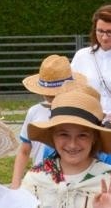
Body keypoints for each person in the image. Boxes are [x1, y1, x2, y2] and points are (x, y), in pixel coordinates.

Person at [13, 55, 81, 187]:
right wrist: (15, 183)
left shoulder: (77, 111)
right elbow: (24, 150)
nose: (51, 95)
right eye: (48, 92)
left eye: (55, 92)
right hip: (40, 181)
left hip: (71, 181)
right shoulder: (34, 111)